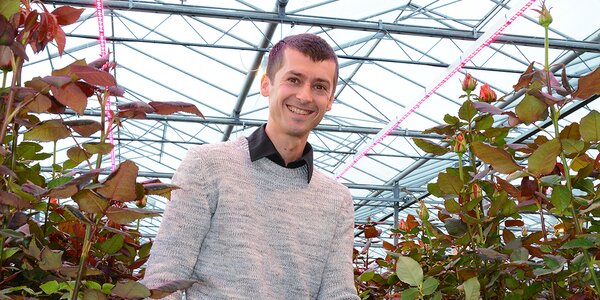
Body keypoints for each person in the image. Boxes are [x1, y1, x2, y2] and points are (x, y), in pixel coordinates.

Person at [143, 33, 359, 299]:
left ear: (330, 100)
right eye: (294, 80)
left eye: (320, 86)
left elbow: (338, 293)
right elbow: (165, 279)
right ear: (266, 84)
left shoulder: (336, 199)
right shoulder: (207, 166)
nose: (305, 96)